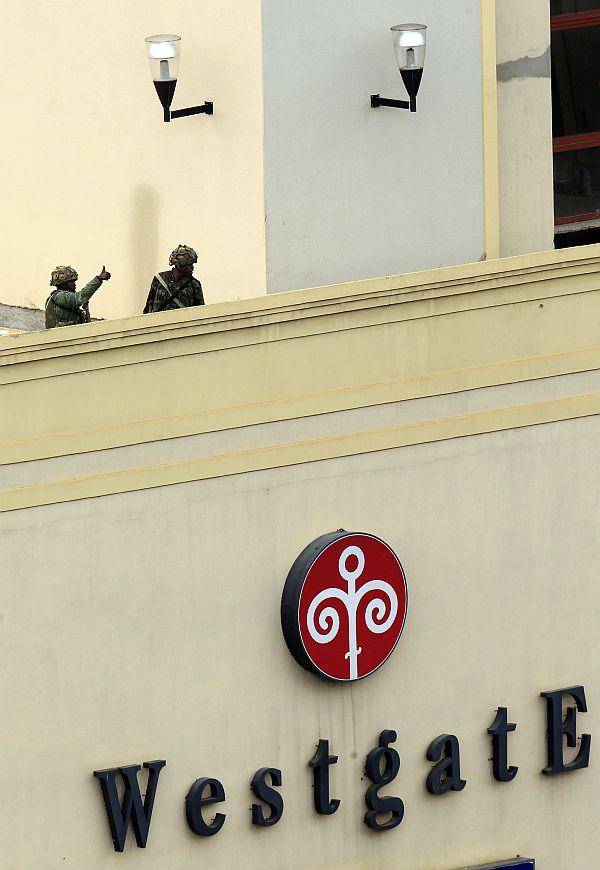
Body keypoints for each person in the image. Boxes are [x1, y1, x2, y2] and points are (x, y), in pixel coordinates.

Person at [143, 244, 204, 314]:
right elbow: (148, 308)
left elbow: (200, 312)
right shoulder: (159, 279)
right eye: (189, 264)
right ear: (181, 265)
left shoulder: (194, 284)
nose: (192, 267)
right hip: (160, 323)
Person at [45, 265, 112, 329]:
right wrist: (98, 279)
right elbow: (79, 297)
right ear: (64, 283)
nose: (74, 284)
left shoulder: (63, 299)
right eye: (71, 282)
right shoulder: (59, 296)